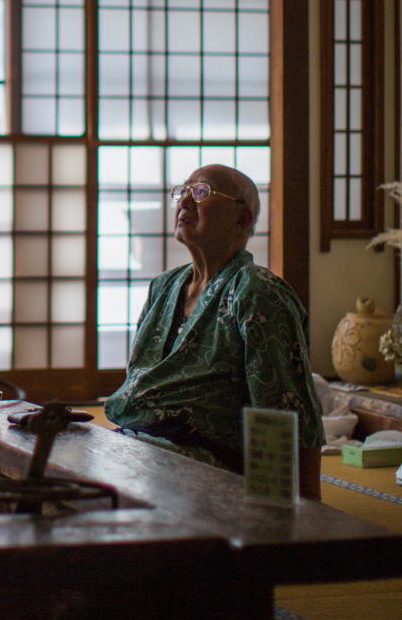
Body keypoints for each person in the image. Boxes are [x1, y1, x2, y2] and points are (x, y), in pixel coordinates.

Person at [103, 164, 325, 499]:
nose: (185, 202)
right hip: (135, 443)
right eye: (183, 191)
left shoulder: (256, 290)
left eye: (202, 192)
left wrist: (297, 516)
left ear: (243, 219)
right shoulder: (164, 286)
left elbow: (286, 409)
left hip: (202, 462)